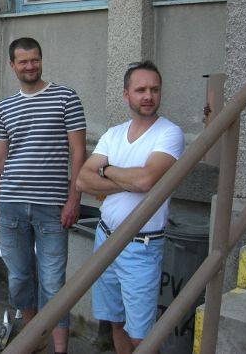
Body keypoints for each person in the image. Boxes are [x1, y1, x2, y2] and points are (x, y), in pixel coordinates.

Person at [0, 37, 86, 354]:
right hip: (11, 206)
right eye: (23, 61)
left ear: (41, 60)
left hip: (51, 207)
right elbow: (0, 159)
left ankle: (60, 349)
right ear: (12, 65)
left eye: (35, 60)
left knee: (53, 282)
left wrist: (74, 199)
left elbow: (78, 152)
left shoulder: (66, 98)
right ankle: (33, 340)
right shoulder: (5, 106)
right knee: (19, 279)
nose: (30, 66)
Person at [76, 61, 184, 354]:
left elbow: (147, 179)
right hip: (105, 237)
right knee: (116, 323)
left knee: (141, 337)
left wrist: (106, 170)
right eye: (141, 90)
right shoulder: (113, 134)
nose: (148, 96)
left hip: (141, 246)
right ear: (126, 95)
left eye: (154, 89)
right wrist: (129, 180)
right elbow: (83, 180)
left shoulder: (169, 133)